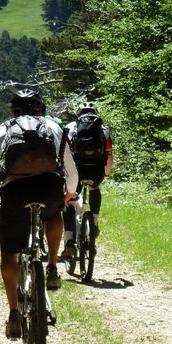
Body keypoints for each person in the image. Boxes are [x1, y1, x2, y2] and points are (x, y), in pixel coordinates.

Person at [0, 89, 79, 339]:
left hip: (15, 191)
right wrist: (70, 194)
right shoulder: (53, 127)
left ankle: (13, 313)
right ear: (40, 109)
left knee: (9, 250)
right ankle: (52, 266)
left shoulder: (4, 129)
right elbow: (71, 171)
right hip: (49, 187)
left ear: (14, 111)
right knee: (54, 215)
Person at [61, 102, 113, 258]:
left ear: (78, 115)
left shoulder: (70, 127)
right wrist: (106, 173)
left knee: (69, 199)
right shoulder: (104, 130)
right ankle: (94, 222)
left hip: (76, 171)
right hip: (96, 171)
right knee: (94, 189)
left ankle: (70, 241)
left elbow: (63, 153)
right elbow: (109, 155)